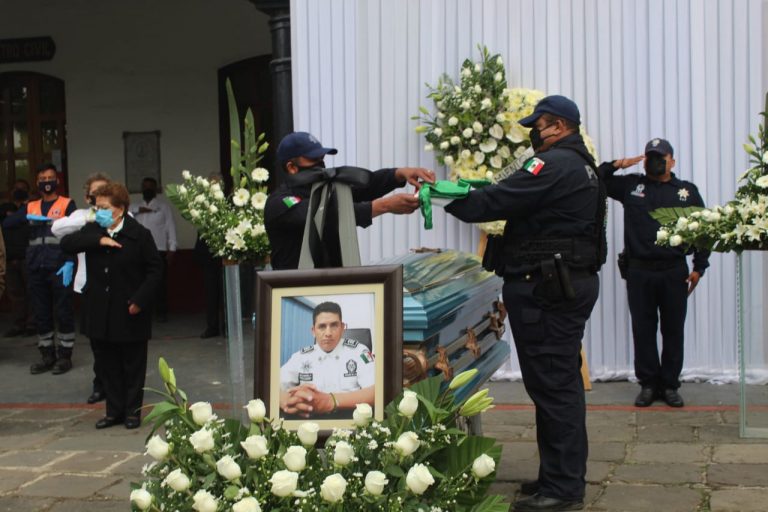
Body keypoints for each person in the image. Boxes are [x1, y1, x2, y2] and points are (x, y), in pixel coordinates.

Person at [444, 95, 603, 512]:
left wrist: (443, 194)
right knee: (556, 384)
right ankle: (556, 476)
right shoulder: (581, 165)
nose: (534, 133)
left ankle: (565, 489)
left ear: (558, 126)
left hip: (547, 288)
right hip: (561, 283)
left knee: (555, 387)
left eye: (539, 125)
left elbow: (492, 202)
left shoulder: (552, 165)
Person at [598, 139, 710, 409]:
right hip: (639, 272)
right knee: (643, 329)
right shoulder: (631, 186)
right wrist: (618, 164)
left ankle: (670, 385)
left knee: (673, 329)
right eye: (650, 156)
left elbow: (704, 229)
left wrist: (699, 267)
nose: (655, 161)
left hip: (674, 272)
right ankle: (648, 384)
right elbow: (597, 179)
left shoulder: (686, 192)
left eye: (661, 156)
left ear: (672, 160)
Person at [61, 183, 162, 429]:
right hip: (100, 311)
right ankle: (113, 411)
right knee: (108, 365)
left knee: (132, 365)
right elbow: (67, 243)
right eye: (97, 207)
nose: (100, 212)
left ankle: (132, 412)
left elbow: (156, 270)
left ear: (120, 209)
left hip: (129, 310)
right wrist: (100, 241)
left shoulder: (139, 234)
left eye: (105, 207)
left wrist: (140, 300)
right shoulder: (93, 230)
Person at [264, 131, 435, 270]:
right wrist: (386, 205)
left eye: (322, 158)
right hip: (294, 294)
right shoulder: (280, 202)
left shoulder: (327, 189)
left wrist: (399, 174)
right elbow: (324, 216)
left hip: (335, 286)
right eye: (313, 159)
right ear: (292, 167)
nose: (321, 163)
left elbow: (367, 186)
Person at [3, 164, 77, 374]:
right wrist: (24, 211)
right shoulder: (31, 207)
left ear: (57, 181)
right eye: (42, 178)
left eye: (50, 177)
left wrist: (71, 261)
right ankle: (47, 355)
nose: (46, 181)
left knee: (63, 311)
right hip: (36, 267)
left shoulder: (67, 204)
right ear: (37, 183)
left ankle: (64, 356)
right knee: (41, 312)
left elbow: (75, 234)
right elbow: (8, 223)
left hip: (60, 266)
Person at [51, 172, 111, 404]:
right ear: (88, 198)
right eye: (96, 192)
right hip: (87, 285)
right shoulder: (81, 215)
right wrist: (91, 217)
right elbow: (57, 229)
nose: (101, 195)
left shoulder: (120, 213)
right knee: (96, 340)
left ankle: (116, 384)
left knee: (114, 340)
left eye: (105, 190)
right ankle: (100, 385)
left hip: (114, 286)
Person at [280, 301, 375, 419]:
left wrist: (331, 401)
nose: (328, 333)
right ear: (313, 331)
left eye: (334, 325)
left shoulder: (359, 352)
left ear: (342, 328)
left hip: (350, 421)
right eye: (322, 326)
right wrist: (283, 399)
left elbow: (375, 392)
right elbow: (273, 386)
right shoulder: (300, 357)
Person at [129, 177, 176, 321]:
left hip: (159, 249)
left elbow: (170, 227)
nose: (147, 189)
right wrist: (141, 209)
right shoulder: (134, 207)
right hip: (138, 251)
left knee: (159, 283)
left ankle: (161, 313)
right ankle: (143, 311)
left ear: (155, 190)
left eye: (150, 187)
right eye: (145, 187)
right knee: (139, 282)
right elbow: (126, 212)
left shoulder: (163, 207)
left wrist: (172, 247)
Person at [0, 180, 35, 337]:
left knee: (32, 291)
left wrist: (20, 213)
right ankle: (18, 324)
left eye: (22, 189)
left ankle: (32, 324)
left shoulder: (32, 207)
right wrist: (18, 217)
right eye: (15, 188)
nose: (18, 191)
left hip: (28, 256)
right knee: (15, 294)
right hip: (9, 258)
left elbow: (17, 220)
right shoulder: (4, 208)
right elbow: (6, 223)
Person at [193, 233, 222, 338]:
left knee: (226, 294)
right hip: (208, 259)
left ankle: (226, 327)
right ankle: (213, 327)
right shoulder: (204, 221)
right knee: (211, 295)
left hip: (225, 258)